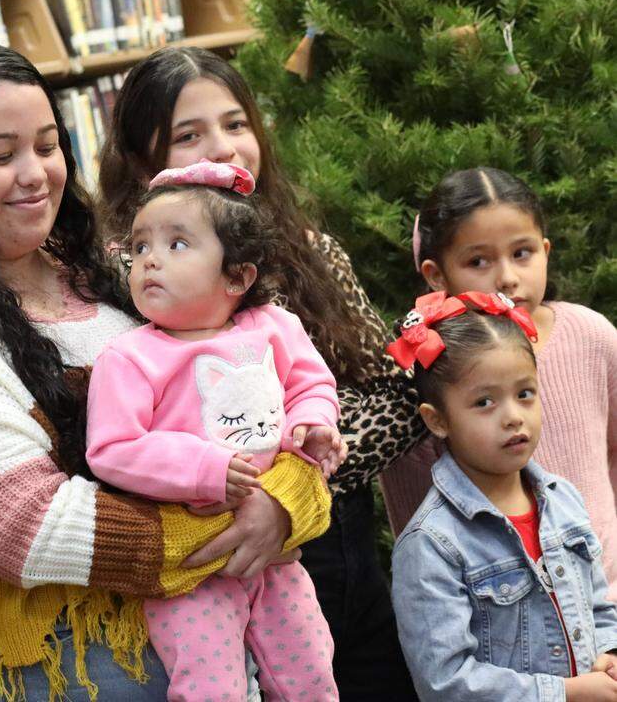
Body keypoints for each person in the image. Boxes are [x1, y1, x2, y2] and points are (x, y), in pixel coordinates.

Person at [0, 42, 332, 701]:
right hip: (49, 663)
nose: (35, 174)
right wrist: (253, 521)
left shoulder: (113, 279)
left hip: (184, 635)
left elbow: (269, 409)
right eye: (1, 156)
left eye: (46, 144)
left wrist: (288, 501)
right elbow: (28, 529)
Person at [98, 45, 421, 699]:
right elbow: (127, 433)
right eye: (189, 135)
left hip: (329, 535)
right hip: (213, 548)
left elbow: (391, 393)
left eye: (235, 123)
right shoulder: (131, 279)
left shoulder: (311, 251)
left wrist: (291, 478)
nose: (223, 147)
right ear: (141, 162)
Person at [85, 159, 341, 701]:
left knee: (310, 676)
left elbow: (311, 387)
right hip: (193, 568)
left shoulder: (274, 326)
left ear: (237, 276)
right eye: (140, 246)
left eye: (178, 244)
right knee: (208, 688)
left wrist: (313, 426)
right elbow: (111, 449)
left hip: (276, 555)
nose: (150, 259)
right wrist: (204, 468)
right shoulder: (130, 357)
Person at [381, 168, 617, 601]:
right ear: (436, 274)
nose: (507, 277)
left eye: (522, 253)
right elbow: (412, 514)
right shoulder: (428, 368)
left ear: (545, 250)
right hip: (504, 616)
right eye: (478, 261)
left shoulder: (592, 334)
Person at [389, 291, 617, 701]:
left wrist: (609, 652)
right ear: (437, 420)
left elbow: (598, 606)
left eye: (525, 393)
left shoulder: (563, 500)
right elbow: (445, 682)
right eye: (484, 402)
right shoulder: (432, 544)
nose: (513, 415)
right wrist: (565, 693)